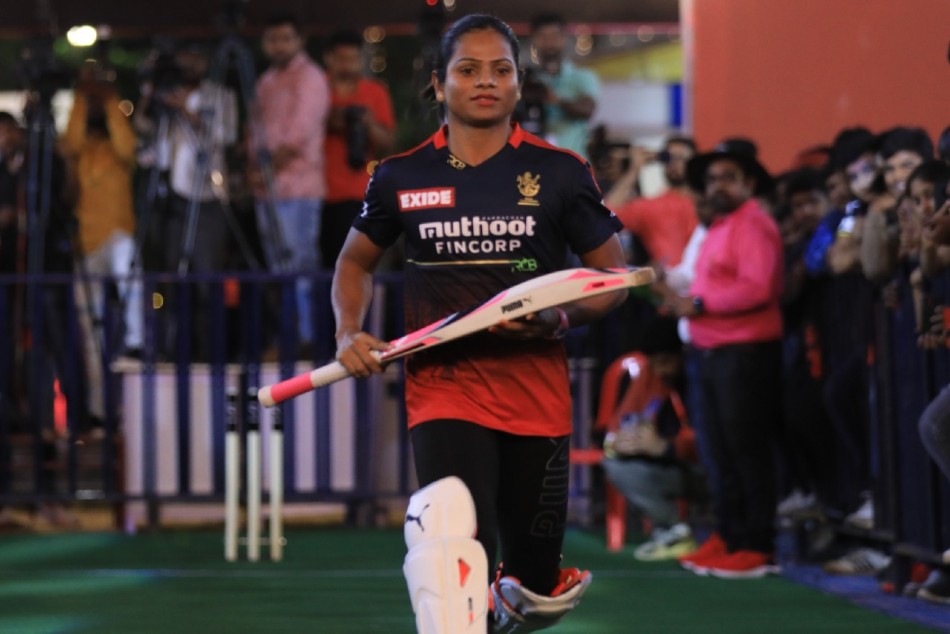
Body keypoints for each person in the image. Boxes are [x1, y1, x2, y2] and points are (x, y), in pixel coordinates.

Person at [330, 14, 627, 631]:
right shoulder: (401, 176)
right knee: (454, 548)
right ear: (439, 85)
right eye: (468, 70)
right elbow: (354, 263)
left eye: (500, 70)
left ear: (519, 84)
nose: (485, 81)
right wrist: (348, 332)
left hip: (536, 397)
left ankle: (516, 601)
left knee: (531, 586)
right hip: (444, 389)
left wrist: (560, 316)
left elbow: (612, 277)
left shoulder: (561, 172)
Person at [665, 138, 784, 579]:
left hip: (743, 353)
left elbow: (759, 287)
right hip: (712, 353)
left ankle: (756, 544)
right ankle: (731, 536)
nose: (718, 185)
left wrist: (698, 304)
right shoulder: (720, 226)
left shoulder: (753, 224)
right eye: (712, 178)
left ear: (749, 183)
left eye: (728, 177)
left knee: (744, 451)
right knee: (718, 452)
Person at [134, 43, 239, 360]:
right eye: (184, 59)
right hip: (172, 196)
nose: (189, 65)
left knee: (207, 279)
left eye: (196, 58)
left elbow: (226, 136)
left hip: (207, 196)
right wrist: (149, 92)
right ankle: (177, 349)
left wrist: (186, 111)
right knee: (175, 279)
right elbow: (143, 129)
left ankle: (209, 352)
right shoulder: (167, 94)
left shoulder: (220, 96)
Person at [252, 13, 330, 348]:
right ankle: (287, 335)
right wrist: (254, 169)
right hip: (266, 189)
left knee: (299, 264)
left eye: (286, 38)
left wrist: (265, 169)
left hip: (298, 188)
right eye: (273, 39)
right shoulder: (265, 81)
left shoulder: (311, 77)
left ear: (300, 41)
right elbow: (254, 131)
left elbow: (299, 133)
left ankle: (307, 338)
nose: (279, 46)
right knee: (277, 267)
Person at [599, 316, 704, 562]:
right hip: (673, 472)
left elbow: (715, 445)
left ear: (683, 354)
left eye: (666, 361)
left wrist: (667, 448)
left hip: (707, 473)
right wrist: (616, 442)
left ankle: (732, 540)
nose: (660, 370)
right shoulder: (651, 373)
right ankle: (674, 531)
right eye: (654, 363)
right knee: (614, 464)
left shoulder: (701, 378)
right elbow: (621, 421)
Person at [321, 28, 395, 270]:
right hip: (315, 192)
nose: (347, 65)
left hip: (357, 192)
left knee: (352, 266)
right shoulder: (317, 89)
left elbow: (387, 142)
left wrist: (367, 123)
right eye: (342, 59)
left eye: (352, 59)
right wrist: (333, 118)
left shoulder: (374, 92)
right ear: (329, 58)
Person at [603, 135, 699, 269]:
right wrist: (634, 169)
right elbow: (608, 215)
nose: (673, 163)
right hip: (668, 279)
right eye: (668, 157)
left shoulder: (708, 203)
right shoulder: (653, 206)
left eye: (680, 157)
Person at [527, 13, 599, 159]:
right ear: (534, 40)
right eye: (543, 37)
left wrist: (557, 101)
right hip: (534, 164)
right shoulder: (527, 79)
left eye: (554, 36)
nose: (549, 43)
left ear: (563, 39)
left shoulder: (582, 76)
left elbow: (588, 109)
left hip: (574, 163)